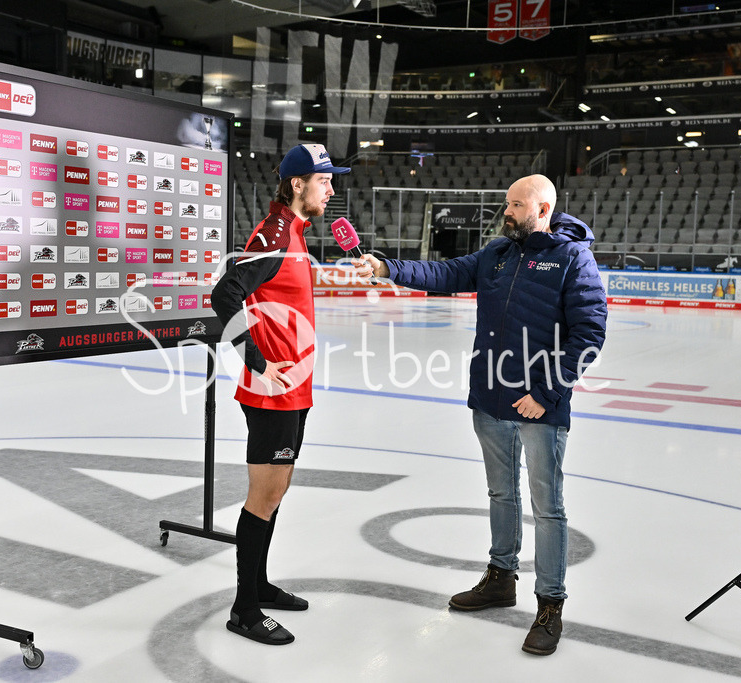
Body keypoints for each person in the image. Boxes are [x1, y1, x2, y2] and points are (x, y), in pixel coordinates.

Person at [359, 174, 607, 656]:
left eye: (517, 205)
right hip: (491, 399)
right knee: (500, 493)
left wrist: (546, 393)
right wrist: (387, 267)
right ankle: (500, 577)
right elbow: (446, 273)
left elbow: (589, 333)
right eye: (507, 203)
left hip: (540, 406)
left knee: (547, 507)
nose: (507, 211)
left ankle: (550, 604)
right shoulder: (497, 253)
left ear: (544, 208)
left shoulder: (572, 258)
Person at [210, 144, 350, 645]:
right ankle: (244, 610)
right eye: (325, 181)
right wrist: (256, 359)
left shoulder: (292, 231)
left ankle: (260, 585)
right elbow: (223, 294)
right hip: (271, 392)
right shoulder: (272, 235)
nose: (332, 190)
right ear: (297, 184)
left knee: (278, 490)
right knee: (264, 495)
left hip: (295, 389)